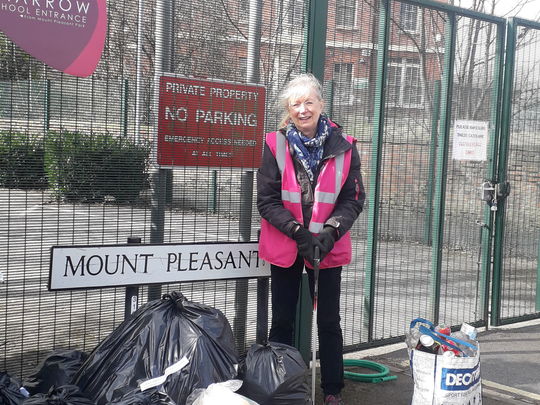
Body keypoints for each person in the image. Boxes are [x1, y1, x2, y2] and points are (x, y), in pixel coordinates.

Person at [257, 73, 365, 405]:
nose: (303, 110)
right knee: (283, 320)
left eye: (309, 102)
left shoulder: (345, 145)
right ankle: (281, 388)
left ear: (321, 103)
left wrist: (331, 231)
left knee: (329, 321)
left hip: (327, 247)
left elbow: (354, 198)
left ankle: (332, 390)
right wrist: (297, 232)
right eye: (296, 104)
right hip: (288, 244)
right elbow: (267, 200)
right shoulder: (274, 144)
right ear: (288, 110)